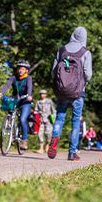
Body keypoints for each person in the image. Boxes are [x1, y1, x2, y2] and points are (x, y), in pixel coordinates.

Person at [47, 26, 92, 161]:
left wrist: (61, 84)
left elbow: (53, 71)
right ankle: (72, 153)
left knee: (60, 117)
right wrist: (83, 84)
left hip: (62, 92)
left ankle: (54, 140)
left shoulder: (62, 50)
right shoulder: (85, 52)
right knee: (75, 121)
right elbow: (88, 74)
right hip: (78, 92)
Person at [0, 59, 33, 150]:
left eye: (23, 69)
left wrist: (29, 95)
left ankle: (24, 141)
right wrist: (1, 93)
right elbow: (7, 85)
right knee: (10, 113)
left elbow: (29, 87)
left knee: (22, 119)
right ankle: (10, 130)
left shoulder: (28, 78)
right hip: (15, 100)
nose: (20, 70)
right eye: (19, 69)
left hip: (25, 101)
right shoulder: (13, 78)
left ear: (26, 70)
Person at [34, 89, 56, 153]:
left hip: (48, 120)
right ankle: (41, 148)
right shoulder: (38, 102)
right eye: (41, 94)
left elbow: (54, 110)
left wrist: (53, 118)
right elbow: (36, 111)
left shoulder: (49, 101)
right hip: (41, 121)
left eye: (43, 94)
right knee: (39, 134)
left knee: (48, 134)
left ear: (46, 95)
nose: (42, 95)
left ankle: (47, 146)